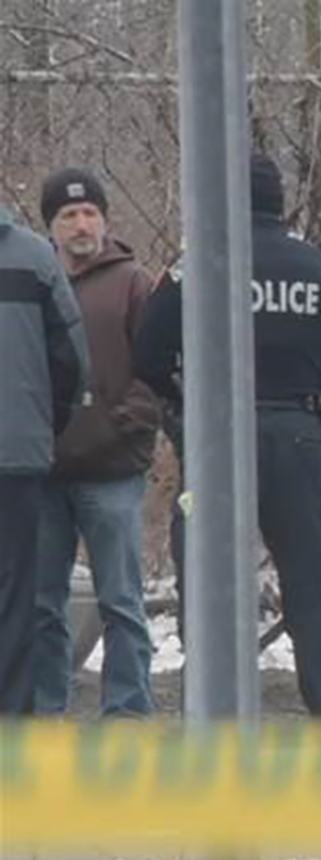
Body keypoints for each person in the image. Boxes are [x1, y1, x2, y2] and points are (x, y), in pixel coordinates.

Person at [135, 152, 321, 717]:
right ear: (278, 200)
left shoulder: (197, 266)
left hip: (218, 438)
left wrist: (187, 406)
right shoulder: (316, 266)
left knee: (210, 593)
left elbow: (148, 353)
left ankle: (213, 721)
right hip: (298, 438)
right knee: (314, 591)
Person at [30, 169, 160, 717]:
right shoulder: (33, 282)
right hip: (45, 471)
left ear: (105, 220)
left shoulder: (135, 283)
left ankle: (128, 711)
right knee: (41, 602)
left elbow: (158, 368)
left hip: (113, 471)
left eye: (89, 214)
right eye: (68, 216)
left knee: (121, 600)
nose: (81, 224)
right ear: (51, 227)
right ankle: (43, 711)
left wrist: (121, 421)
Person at [0, 201, 90, 716]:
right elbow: (72, 362)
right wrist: (44, 422)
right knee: (15, 595)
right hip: (18, 457)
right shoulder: (36, 258)